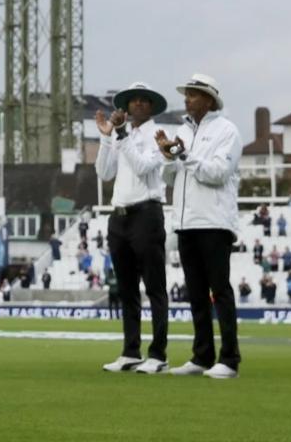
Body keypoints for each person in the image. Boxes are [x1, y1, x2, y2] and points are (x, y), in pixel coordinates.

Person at [156, 74, 242, 380]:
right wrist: (168, 157)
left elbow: (217, 173)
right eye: (187, 94)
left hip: (214, 222)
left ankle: (229, 359)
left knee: (220, 291)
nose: (186, 99)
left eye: (192, 95)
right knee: (195, 294)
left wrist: (184, 154)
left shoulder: (227, 131)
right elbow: (171, 178)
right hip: (185, 223)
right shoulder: (183, 130)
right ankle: (202, 355)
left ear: (208, 99)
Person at [93, 82, 170, 374]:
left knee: (154, 287)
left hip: (147, 212)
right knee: (127, 289)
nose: (137, 104)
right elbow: (104, 172)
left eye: (144, 101)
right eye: (133, 100)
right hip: (120, 215)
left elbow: (142, 167)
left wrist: (121, 134)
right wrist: (105, 138)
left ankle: (158, 354)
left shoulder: (158, 135)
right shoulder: (121, 134)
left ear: (151, 106)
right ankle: (130, 351)